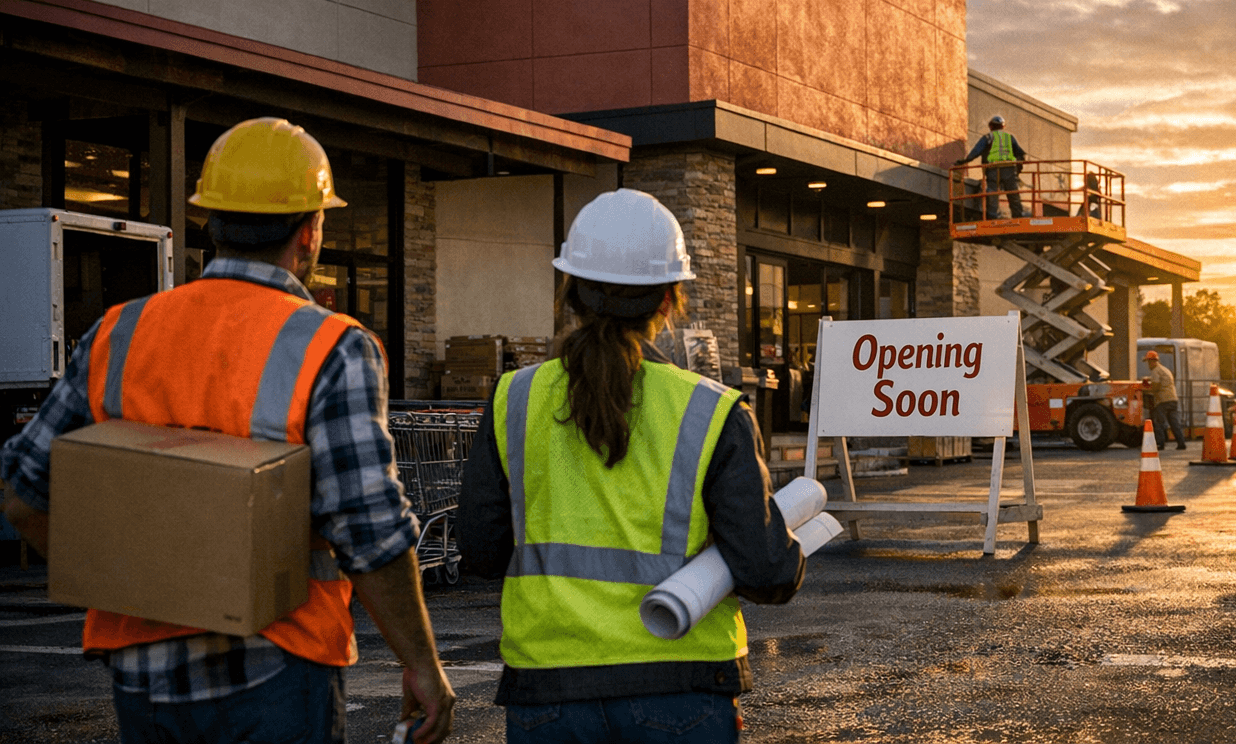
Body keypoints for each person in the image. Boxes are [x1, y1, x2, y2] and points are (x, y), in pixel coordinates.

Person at [0, 117, 455, 744]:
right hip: (280, 666)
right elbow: (370, 531)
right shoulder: (333, 346)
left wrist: (134, 572)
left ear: (210, 224)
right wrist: (422, 666)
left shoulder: (119, 332)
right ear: (311, 229)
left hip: (142, 671)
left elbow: (24, 498)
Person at [457, 188, 804, 744]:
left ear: (570, 291)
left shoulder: (511, 400)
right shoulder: (711, 410)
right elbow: (767, 574)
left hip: (548, 689)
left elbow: (480, 550)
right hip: (680, 685)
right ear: (669, 300)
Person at [954, 115, 1026, 220]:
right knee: (1012, 193)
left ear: (991, 126)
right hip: (1008, 169)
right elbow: (1020, 155)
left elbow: (975, 152)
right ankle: (1018, 216)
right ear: (1003, 126)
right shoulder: (1009, 137)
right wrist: (1018, 170)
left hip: (993, 168)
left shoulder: (988, 137)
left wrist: (963, 161)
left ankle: (992, 217)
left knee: (992, 193)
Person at [1143, 350, 1186, 450]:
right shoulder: (1164, 369)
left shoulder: (1155, 371)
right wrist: (1148, 379)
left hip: (1163, 400)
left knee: (1159, 422)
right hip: (1173, 399)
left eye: (1148, 362)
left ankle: (1160, 444)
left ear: (1151, 361)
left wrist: (1146, 389)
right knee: (1174, 423)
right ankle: (1181, 443)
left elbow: (1156, 387)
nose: (1148, 365)